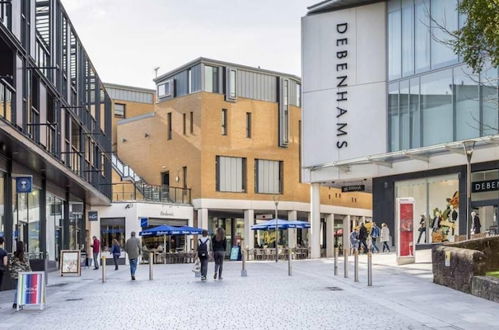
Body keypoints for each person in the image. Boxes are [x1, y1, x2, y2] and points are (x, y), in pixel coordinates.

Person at [9, 241, 31, 309]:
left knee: (17, 288)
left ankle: (17, 302)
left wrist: (11, 271)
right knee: (20, 288)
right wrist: (31, 273)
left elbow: (10, 265)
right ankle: (17, 303)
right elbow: (27, 266)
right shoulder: (25, 256)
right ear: (23, 247)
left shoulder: (13, 255)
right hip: (23, 274)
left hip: (15, 274)